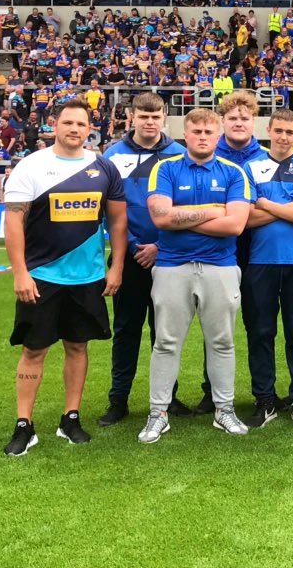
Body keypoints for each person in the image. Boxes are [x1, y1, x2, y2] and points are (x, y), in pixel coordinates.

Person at [2, 99, 127, 456]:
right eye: (68, 122)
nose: (74, 129)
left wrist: (115, 267)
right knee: (34, 349)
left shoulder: (103, 167)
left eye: (81, 124)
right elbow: (13, 222)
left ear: (91, 128)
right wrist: (21, 273)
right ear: (53, 125)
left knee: (77, 346)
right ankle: (24, 424)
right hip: (40, 276)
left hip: (87, 277)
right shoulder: (31, 167)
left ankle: (70, 418)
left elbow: (118, 222)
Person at [139, 108, 253, 443]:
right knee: (166, 342)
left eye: (208, 132)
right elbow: (160, 218)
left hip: (220, 266)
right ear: (184, 135)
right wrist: (213, 211)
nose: (202, 137)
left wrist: (182, 215)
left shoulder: (234, 173)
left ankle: (224, 410)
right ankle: (158, 412)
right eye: (196, 131)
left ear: (217, 136)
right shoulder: (165, 168)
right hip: (173, 266)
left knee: (221, 341)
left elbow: (235, 224)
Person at [98, 93, 188, 427]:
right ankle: (118, 399)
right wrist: (137, 246)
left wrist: (160, 246)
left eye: (156, 116)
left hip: (169, 256)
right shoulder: (112, 156)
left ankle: (168, 397)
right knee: (126, 329)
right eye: (143, 116)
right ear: (131, 117)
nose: (149, 122)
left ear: (164, 117)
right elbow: (108, 212)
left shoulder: (179, 155)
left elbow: (184, 209)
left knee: (166, 332)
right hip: (128, 255)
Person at [242, 109, 293, 430]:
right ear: (269, 131)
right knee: (260, 331)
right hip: (261, 262)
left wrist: (266, 204)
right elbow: (246, 218)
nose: (285, 137)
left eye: (291, 132)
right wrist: (291, 207)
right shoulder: (251, 167)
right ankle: (265, 399)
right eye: (279, 131)